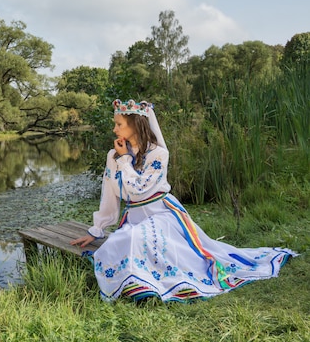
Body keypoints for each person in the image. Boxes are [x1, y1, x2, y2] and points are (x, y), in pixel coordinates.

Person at [70, 99, 297, 302]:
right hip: (134, 216)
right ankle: (132, 283)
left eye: (119, 124)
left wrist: (126, 161)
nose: (114, 129)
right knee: (118, 241)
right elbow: (109, 193)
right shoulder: (114, 155)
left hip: (161, 214)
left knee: (133, 238)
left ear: (136, 124)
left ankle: (143, 285)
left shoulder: (158, 154)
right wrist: (97, 228)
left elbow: (139, 190)